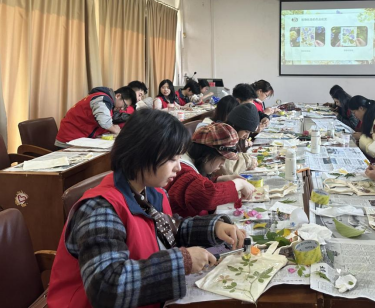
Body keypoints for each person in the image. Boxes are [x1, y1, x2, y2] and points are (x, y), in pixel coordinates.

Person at [47, 109, 246, 308]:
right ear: (142, 155)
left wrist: (215, 228)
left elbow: (170, 231)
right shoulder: (100, 209)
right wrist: (181, 262)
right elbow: (107, 287)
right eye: (172, 159)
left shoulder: (151, 192)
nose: (178, 167)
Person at [166, 123, 256, 218]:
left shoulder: (190, 165)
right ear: (206, 155)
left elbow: (195, 186)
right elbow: (207, 196)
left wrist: (218, 180)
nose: (223, 164)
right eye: (222, 159)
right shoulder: (183, 169)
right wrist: (239, 184)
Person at [55, 86, 136, 148]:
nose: (122, 109)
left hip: (79, 139)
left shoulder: (109, 103)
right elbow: (104, 122)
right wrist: (115, 129)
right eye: (125, 105)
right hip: (69, 141)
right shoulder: (102, 99)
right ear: (118, 96)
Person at [218, 102, 260, 175]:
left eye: (249, 132)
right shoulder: (223, 136)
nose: (247, 136)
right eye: (246, 131)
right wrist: (248, 161)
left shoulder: (234, 136)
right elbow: (227, 168)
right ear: (235, 126)